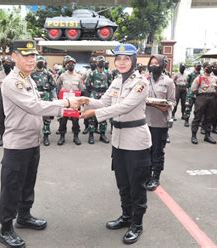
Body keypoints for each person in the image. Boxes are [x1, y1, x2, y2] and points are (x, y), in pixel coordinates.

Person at [0, 40, 79, 248]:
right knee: (12, 186)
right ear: (14, 57)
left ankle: (24, 216)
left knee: (27, 182)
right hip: (17, 143)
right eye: (25, 55)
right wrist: (65, 104)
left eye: (33, 55)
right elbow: (34, 106)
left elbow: (37, 106)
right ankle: (6, 228)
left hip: (32, 141)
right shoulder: (12, 82)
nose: (31, 59)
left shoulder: (28, 79)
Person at [78, 43, 151, 245]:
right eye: (118, 58)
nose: (121, 62)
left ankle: (136, 225)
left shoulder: (141, 83)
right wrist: (86, 100)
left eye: (126, 59)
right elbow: (104, 102)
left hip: (136, 141)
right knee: (123, 183)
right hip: (118, 140)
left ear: (134, 61)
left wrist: (95, 113)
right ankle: (126, 216)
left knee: (137, 185)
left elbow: (125, 106)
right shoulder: (117, 81)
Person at [145, 55, 175, 191]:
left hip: (159, 123)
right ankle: (146, 174)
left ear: (162, 65)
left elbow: (172, 102)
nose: (153, 65)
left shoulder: (168, 82)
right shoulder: (144, 80)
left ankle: (155, 177)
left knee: (157, 151)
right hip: (144, 122)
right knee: (145, 150)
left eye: (157, 63)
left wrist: (164, 105)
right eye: (151, 63)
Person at [56, 56, 84, 145]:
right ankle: (62, 137)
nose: (70, 65)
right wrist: (59, 99)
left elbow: (81, 89)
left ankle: (76, 136)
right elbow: (58, 87)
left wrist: (81, 103)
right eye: (69, 63)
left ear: (75, 65)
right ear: (66, 65)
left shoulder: (79, 77)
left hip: (75, 102)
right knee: (63, 120)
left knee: (75, 120)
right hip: (65, 102)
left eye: (72, 63)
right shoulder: (62, 76)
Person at [30, 55, 57, 146]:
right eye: (39, 62)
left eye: (42, 62)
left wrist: (54, 97)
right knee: (34, 118)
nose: (40, 63)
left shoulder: (48, 74)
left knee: (46, 118)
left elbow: (53, 85)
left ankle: (46, 136)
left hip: (46, 96)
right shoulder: (31, 74)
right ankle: (35, 137)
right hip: (35, 96)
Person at [85, 55, 112, 144]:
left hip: (104, 95)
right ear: (96, 63)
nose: (101, 63)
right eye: (100, 61)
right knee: (92, 116)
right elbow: (87, 85)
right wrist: (93, 92)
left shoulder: (108, 73)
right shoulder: (92, 73)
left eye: (103, 62)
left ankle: (102, 134)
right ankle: (91, 135)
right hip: (94, 94)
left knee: (104, 115)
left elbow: (110, 85)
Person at [190, 62, 217, 144]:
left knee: (209, 117)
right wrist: (200, 95)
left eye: (211, 67)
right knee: (197, 117)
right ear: (204, 68)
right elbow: (193, 89)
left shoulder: (214, 78)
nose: (210, 68)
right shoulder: (199, 78)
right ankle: (194, 136)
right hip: (201, 97)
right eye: (209, 67)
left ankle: (207, 135)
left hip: (212, 98)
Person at [0, 56, 13, 147]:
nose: (6, 64)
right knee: (1, 117)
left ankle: (12, 138)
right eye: (4, 62)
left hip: (12, 97)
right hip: (1, 96)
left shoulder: (15, 74)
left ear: (11, 64)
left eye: (8, 62)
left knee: (12, 118)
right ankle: (2, 137)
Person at [182, 63, 201, 127]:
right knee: (188, 108)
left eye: (200, 66)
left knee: (198, 109)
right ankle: (186, 121)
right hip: (191, 94)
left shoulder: (201, 75)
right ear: (195, 67)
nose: (199, 67)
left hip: (198, 94)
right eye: (198, 66)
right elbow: (187, 84)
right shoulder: (191, 74)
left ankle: (196, 122)